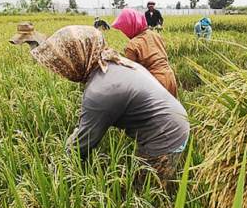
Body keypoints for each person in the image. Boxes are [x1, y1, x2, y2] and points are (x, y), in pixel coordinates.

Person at [30, 25, 190, 182]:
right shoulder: (116, 62)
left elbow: (83, 144)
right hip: (176, 121)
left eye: (62, 64)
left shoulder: (100, 90)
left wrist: (56, 170)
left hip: (166, 136)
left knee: (145, 190)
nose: (62, 71)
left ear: (76, 59)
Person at [112, 8, 178, 97]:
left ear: (130, 26)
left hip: (155, 82)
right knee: (171, 109)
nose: (125, 33)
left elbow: (130, 73)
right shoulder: (155, 35)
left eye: (125, 29)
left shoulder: (132, 45)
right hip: (170, 77)